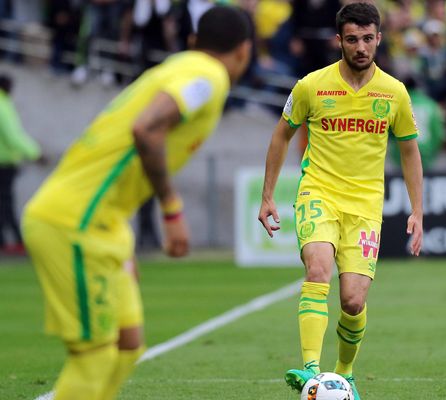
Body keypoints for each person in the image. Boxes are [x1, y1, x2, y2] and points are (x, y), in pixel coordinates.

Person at [21, 6, 251, 400]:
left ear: (194, 39)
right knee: (94, 359)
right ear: (244, 51)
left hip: (104, 221)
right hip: (75, 221)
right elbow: (146, 128)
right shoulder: (207, 75)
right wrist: (171, 209)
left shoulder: (179, 65)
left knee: (128, 345)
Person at [257, 3, 423, 399]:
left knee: (352, 300)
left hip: (365, 205)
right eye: (353, 39)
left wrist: (418, 210)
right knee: (318, 270)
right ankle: (312, 370)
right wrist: (267, 196)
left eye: (368, 39)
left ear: (379, 39)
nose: (361, 47)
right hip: (319, 193)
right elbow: (281, 135)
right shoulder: (311, 86)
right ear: (339, 41)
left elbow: (410, 151)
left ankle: (344, 373)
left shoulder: (394, 92)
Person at [0, 74, 41, 255]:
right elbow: (13, 135)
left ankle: (5, 240)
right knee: (6, 202)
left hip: (5, 162)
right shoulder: (3, 105)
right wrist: (35, 153)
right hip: (4, 163)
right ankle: (15, 240)